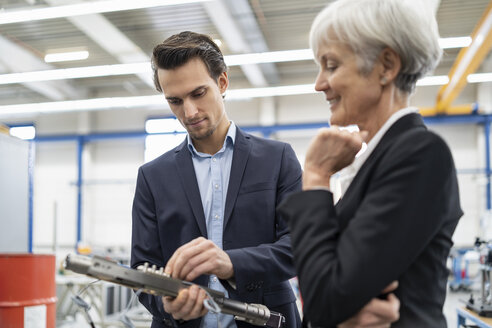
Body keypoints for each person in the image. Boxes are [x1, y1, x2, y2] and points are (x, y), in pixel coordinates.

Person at [131, 31, 399, 328]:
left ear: (222, 82)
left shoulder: (277, 158)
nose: (189, 112)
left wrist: (232, 263)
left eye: (198, 94)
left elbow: (298, 245)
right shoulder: (152, 177)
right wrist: (167, 305)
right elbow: (142, 270)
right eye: (175, 101)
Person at [278, 0, 463, 327]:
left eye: (331, 66)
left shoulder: (419, 154)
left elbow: (324, 300)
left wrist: (317, 176)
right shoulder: (379, 159)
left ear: (386, 66)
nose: (319, 83)